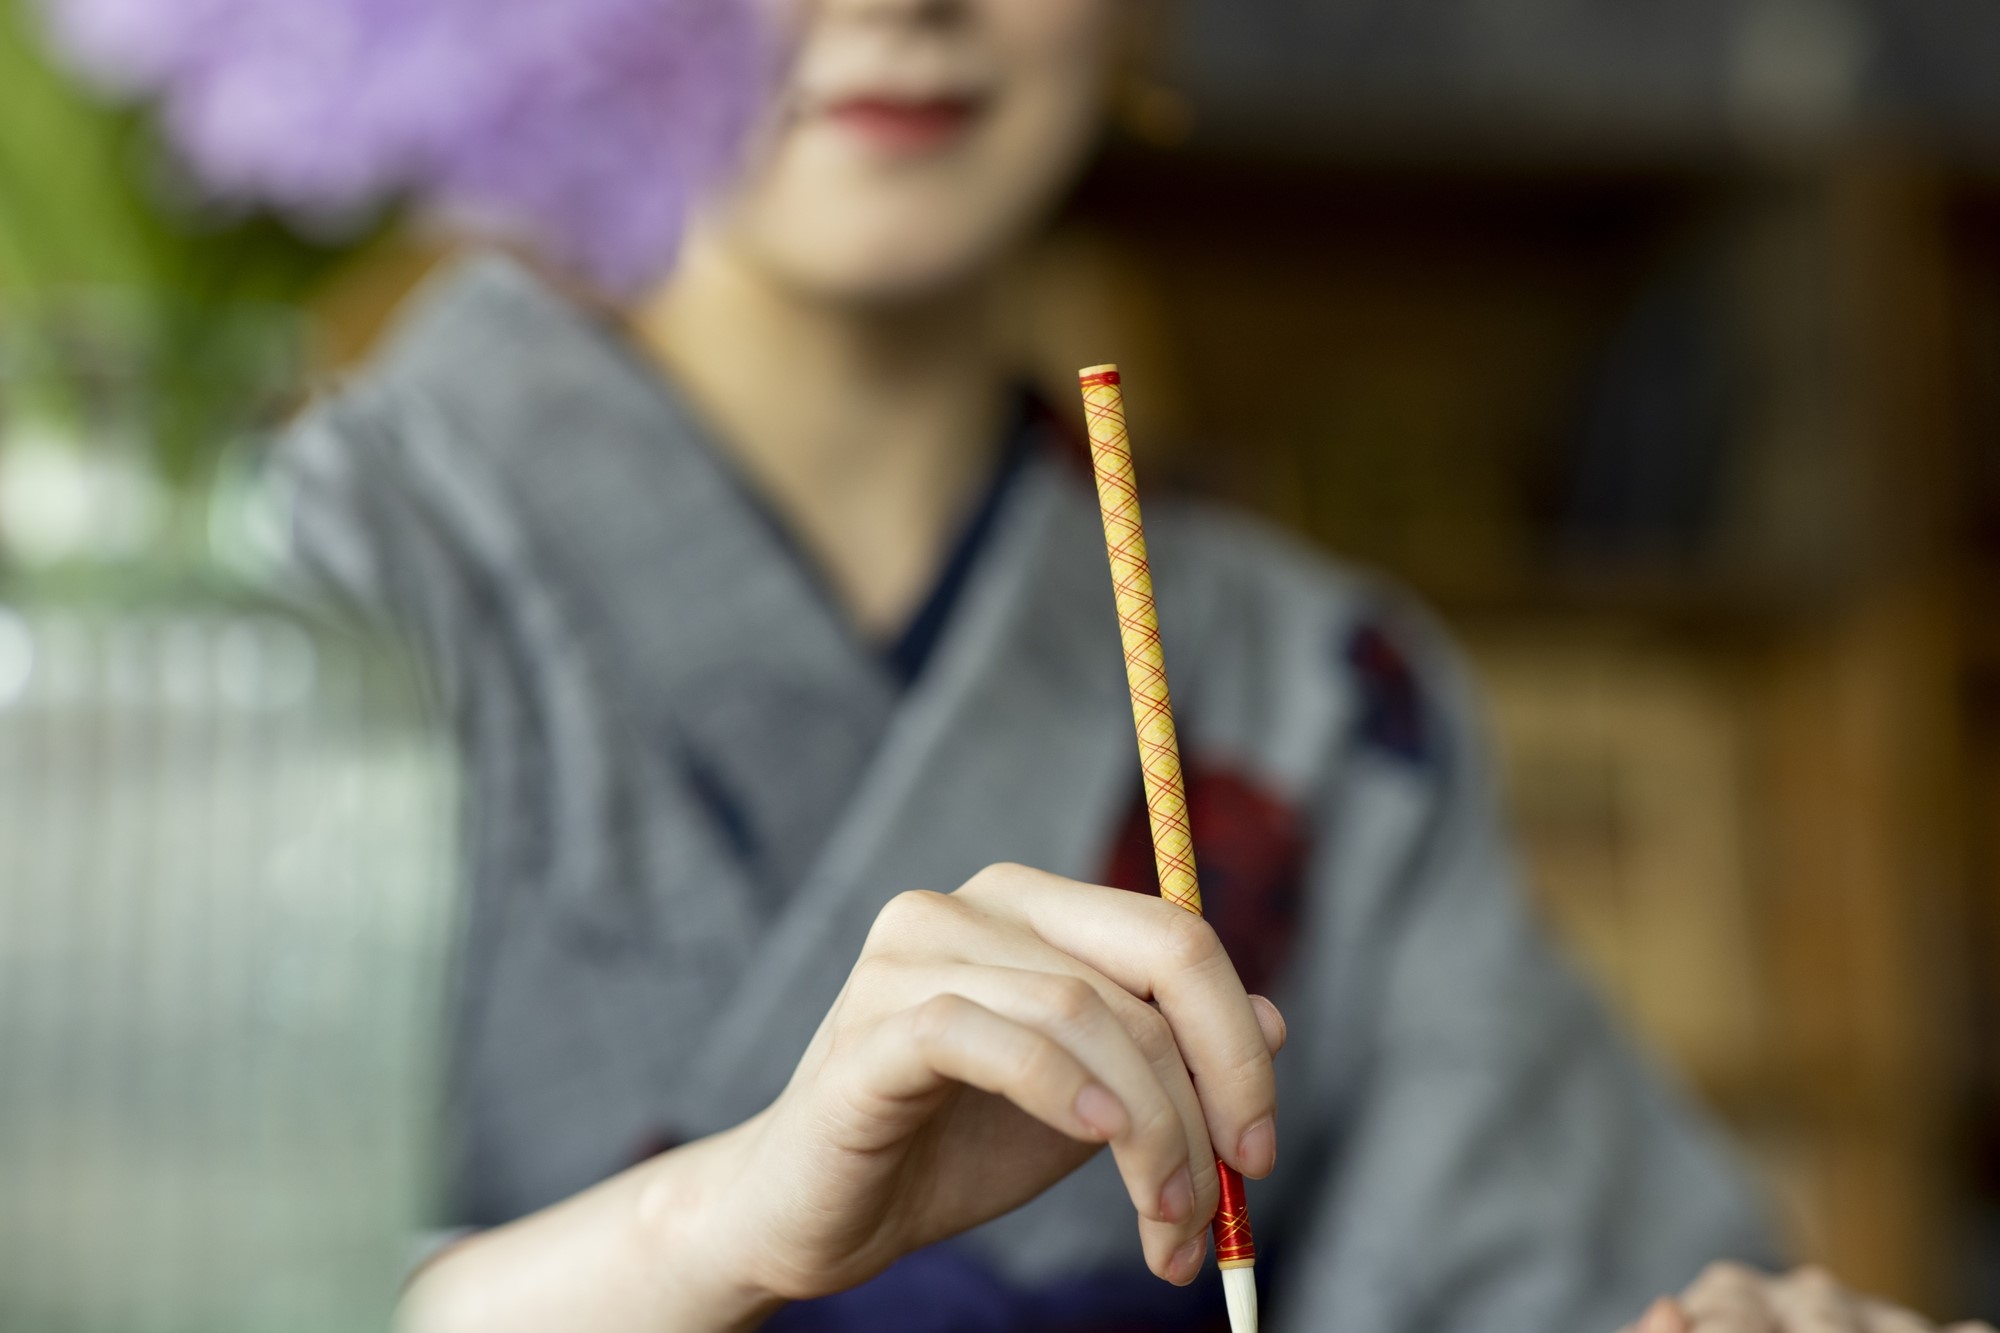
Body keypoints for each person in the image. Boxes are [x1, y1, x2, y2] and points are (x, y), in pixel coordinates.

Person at [276, 1, 1995, 1330]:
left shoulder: (1322, 688)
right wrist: (702, 1233)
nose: (902, 2)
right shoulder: (267, 580)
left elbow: (1532, 1278)